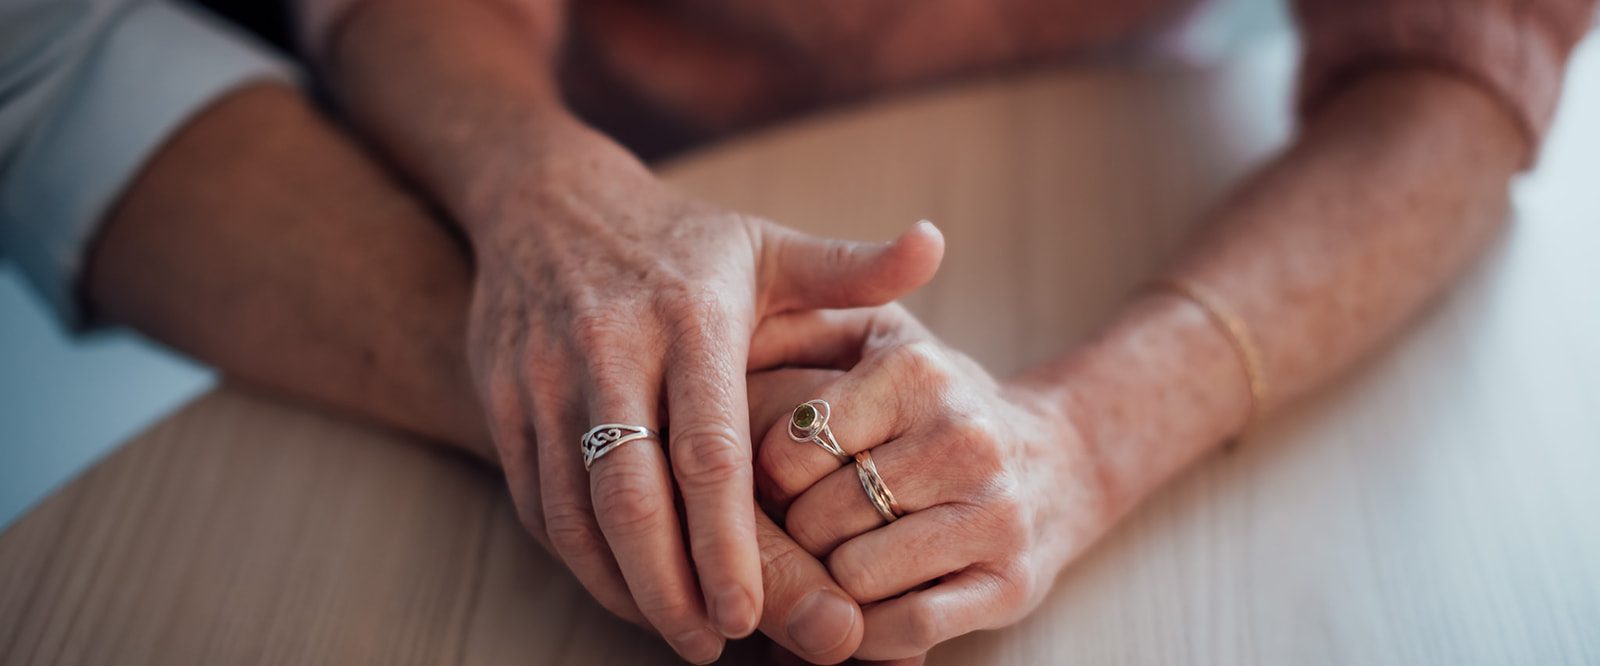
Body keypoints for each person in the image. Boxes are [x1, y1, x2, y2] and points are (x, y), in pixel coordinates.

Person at [0, 0, 1593, 664]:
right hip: (499, 141)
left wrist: (1093, 430)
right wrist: (557, 222)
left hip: (1086, 147)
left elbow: (1460, 61)